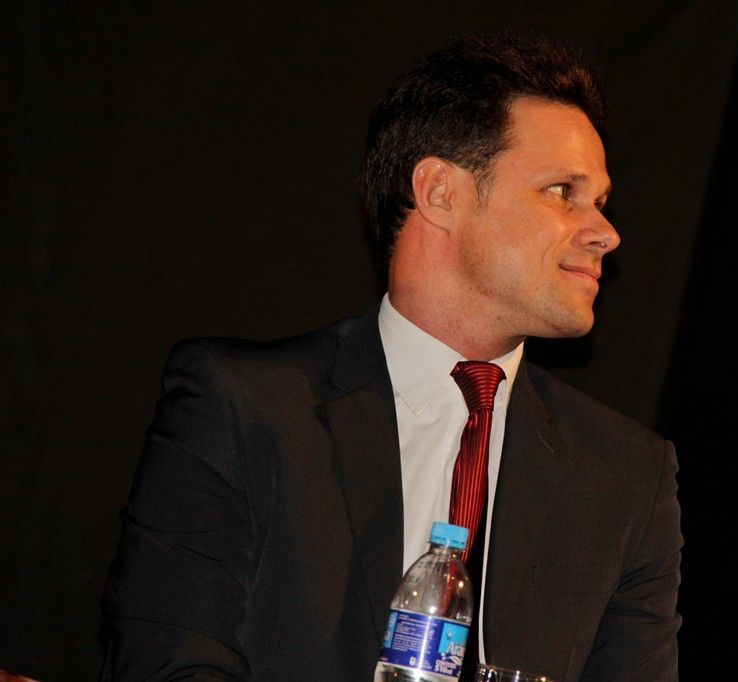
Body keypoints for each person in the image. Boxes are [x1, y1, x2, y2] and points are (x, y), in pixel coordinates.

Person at [102, 35, 682, 681]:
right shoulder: (243, 410)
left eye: (599, 202)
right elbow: (170, 665)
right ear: (440, 192)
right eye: (561, 191)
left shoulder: (627, 480)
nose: (605, 232)